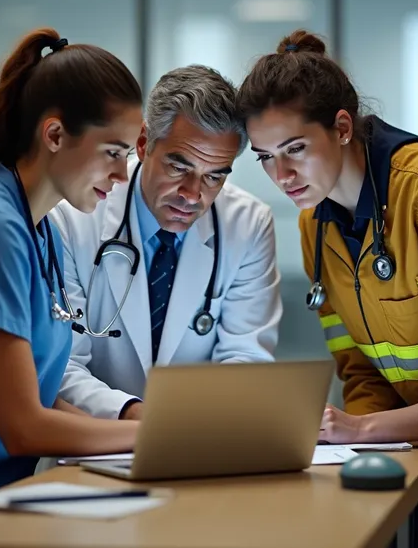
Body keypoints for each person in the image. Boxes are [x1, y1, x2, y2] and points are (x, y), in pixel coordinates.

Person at [0, 28, 143, 499]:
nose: (122, 175)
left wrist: (141, 441)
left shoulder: (43, 233)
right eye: (114, 153)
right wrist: (154, 437)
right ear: (55, 134)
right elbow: (23, 426)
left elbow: (42, 395)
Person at [52, 65, 283, 421]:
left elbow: (246, 359)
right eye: (179, 167)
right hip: (94, 447)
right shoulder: (72, 217)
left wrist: (180, 425)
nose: (192, 195)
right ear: (143, 144)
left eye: (214, 176)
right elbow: (62, 368)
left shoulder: (248, 225)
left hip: (198, 445)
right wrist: (135, 416)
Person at [237, 29, 418, 445]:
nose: (281, 175)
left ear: (342, 128)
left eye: (296, 148)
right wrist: (351, 438)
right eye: (266, 157)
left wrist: (365, 428)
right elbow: (360, 366)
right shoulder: (315, 226)